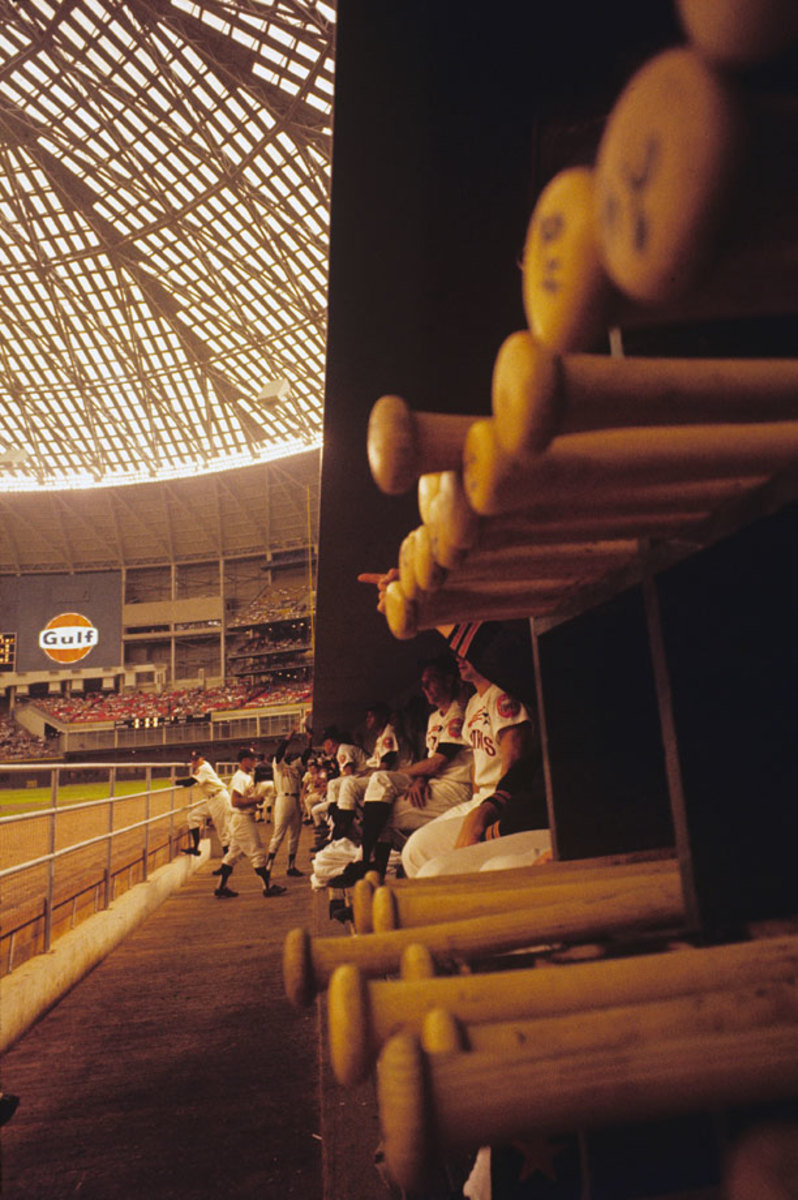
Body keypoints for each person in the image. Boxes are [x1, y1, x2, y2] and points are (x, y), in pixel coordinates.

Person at [329, 654, 472, 886]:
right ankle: (367, 868)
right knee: (379, 797)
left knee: (380, 809)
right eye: (422, 682)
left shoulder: (458, 712)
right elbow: (430, 758)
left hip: (456, 788)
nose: (424, 687)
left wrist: (414, 775)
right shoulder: (435, 716)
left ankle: (367, 867)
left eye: (431, 680)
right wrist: (420, 780)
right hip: (433, 784)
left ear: (448, 680)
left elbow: (439, 762)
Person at [401, 654, 549, 877]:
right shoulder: (472, 704)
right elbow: (475, 763)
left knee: (424, 856)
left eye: (468, 654)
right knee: (415, 849)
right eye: (458, 654)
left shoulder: (501, 694)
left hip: (501, 797)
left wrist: (495, 807)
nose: (460, 658)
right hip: (478, 797)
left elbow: (514, 756)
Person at [212, 747, 286, 898]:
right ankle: (267, 887)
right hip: (242, 819)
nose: (255, 761)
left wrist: (254, 802)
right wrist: (255, 799)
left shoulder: (246, 776)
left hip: (242, 818)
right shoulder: (240, 777)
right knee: (257, 852)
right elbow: (235, 801)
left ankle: (220, 887)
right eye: (252, 759)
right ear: (244, 760)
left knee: (232, 856)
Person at [175, 750, 233, 866]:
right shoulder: (202, 768)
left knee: (223, 833)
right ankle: (195, 848)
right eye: (192, 759)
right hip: (212, 800)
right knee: (193, 816)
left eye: (196, 759)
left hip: (219, 799)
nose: (194, 762)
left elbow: (190, 782)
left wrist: (176, 781)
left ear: (202, 758)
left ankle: (227, 864)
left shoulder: (204, 768)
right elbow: (192, 780)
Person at [264, 728, 309, 878]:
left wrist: (309, 740)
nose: (287, 752)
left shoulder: (295, 766)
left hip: (295, 800)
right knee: (279, 833)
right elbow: (279, 752)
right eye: (285, 751)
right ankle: (268, 864)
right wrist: (288, 737)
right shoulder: (278, 765)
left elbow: (305, 757)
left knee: (295, 834)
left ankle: (291, 866)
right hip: (283, 798)